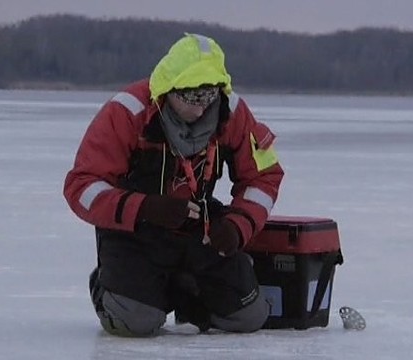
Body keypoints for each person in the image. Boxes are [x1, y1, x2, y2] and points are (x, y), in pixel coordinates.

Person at [64, 33, 284, 337]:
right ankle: (110, 286)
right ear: (170, 90)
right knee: (136, 323)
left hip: (200, 232)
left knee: (247, 318)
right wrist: (144, 208)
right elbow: (82, 186)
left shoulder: (233, 112)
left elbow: (264, 176)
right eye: (191, 98)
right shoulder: (127, 112)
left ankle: (184, 288)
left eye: (208, 97)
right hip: (135, 234)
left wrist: (237, 226)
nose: (200, 108)